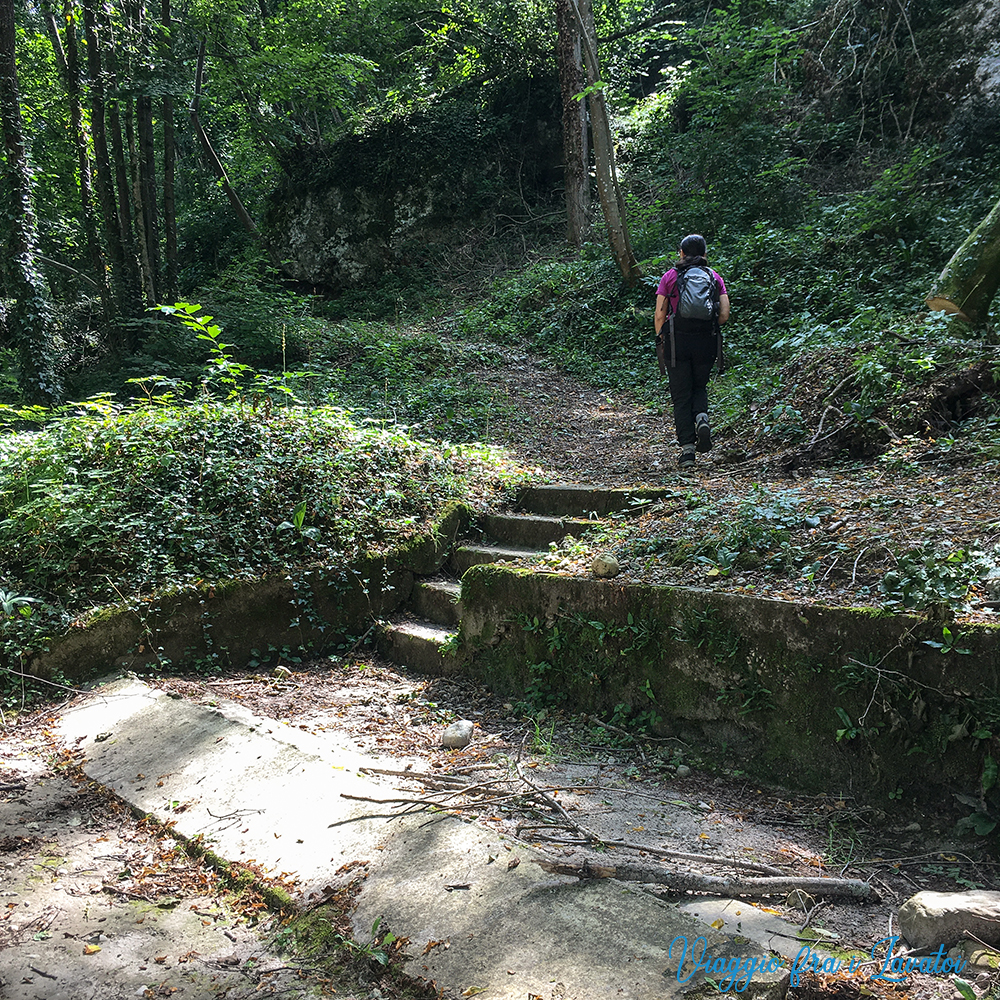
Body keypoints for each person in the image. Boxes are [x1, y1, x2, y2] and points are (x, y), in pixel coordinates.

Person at [654, 234, 730, 470]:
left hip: (677, 343)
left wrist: (661, 338)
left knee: (680, 395)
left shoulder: (670, 276)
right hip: (705, 342)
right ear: (705, 254)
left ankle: (687, 451)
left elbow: (659, 313)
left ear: (682, 253)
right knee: (699, 386)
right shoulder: (713, 277)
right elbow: (725, 314)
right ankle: (701, 417)